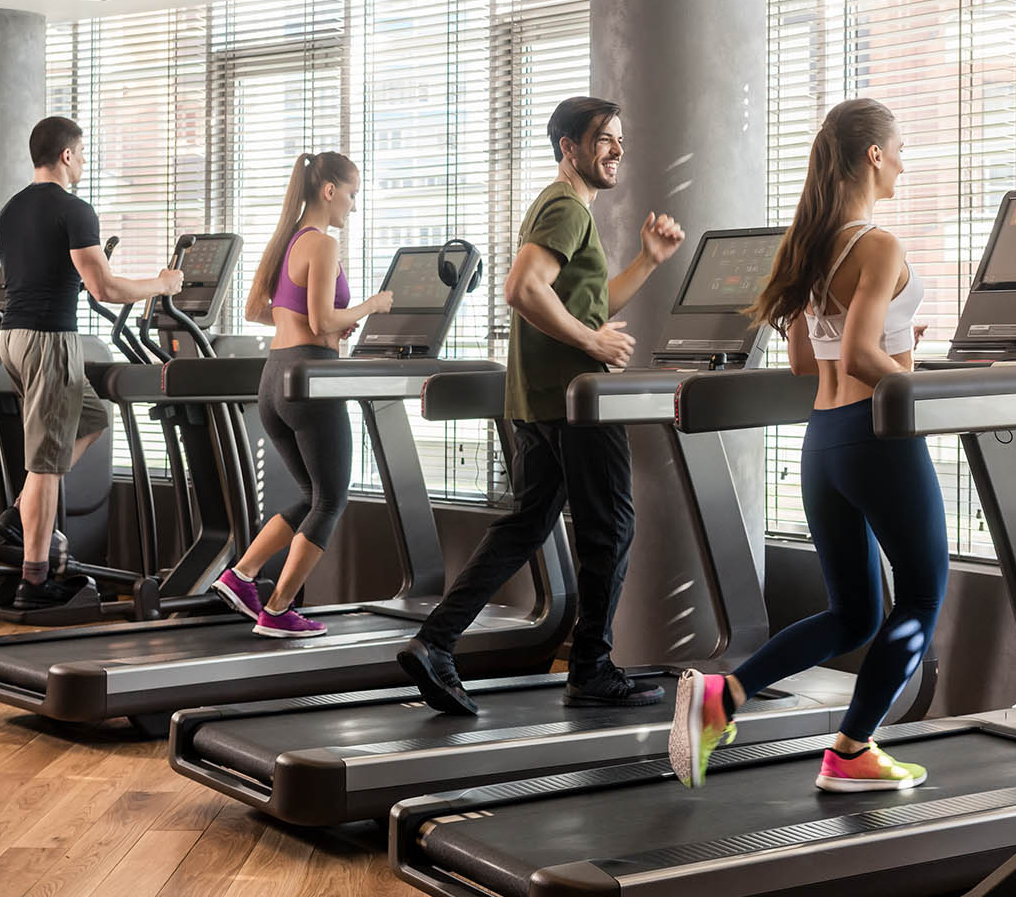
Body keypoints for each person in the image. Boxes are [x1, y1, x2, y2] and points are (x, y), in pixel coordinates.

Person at [669, 98, 947, 792]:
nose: (904, 164)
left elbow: (805, 360)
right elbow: (857, 353)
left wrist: (897, 346)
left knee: (852, 613)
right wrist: (933, 393)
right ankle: (852, 750)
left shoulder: (810, 245)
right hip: (877, 440)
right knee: (919, 599)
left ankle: (723, 696)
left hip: (823, 442)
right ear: (874, 155)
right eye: (900, 149)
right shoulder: (878, 244)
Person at [397, 95, 685, 715]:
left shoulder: (565, 209)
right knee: (611, 530)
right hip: (576, 404)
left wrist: (646, 263)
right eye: (604, 138)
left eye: (620, 140)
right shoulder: (565, 205)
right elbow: (522, 289)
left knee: (526, 525)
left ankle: (436, 641)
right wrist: (592, 342)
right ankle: (592, 668)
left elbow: (583, 302)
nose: (616, 150)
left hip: (539, 401)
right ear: (569, 148)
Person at [0, 116, 184, 611]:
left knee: (92, 418)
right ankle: (34, 582)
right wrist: (162, 285)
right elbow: (105, 287)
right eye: (81, 152)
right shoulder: (75, 210)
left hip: (12, 337)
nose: (83, 161)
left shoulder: (11, 211)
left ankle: (19, 517)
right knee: (46, 462)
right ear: (66, 156)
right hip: (48, 339)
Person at [210, 151, 393, 638]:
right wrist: (369, 306)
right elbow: (321, 321)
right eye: (351, 194)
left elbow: (258, 309)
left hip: (274, 379)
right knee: (331, 500)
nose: (352, 206)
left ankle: (241, 574)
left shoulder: (286, 240)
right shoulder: (324, 244)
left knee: (313, 495)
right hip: (311, 382)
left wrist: (320, 328)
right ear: (329, 190)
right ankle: (278, 608)